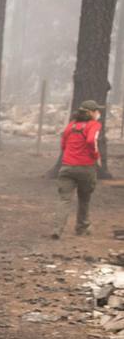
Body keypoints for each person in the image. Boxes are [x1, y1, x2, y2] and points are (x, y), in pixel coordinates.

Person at [55, 100, 103, 238]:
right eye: (97, 111)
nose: (98, 113)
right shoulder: (94, 125)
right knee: (84, 198)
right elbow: (91, 140)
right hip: (86, 167)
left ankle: (57, 229)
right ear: (91, 113)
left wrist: (69, 155)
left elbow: (63, 143)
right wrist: (96, 156)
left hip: (67, 167)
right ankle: (82, 227)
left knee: (64, 199)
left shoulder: (71, 125)